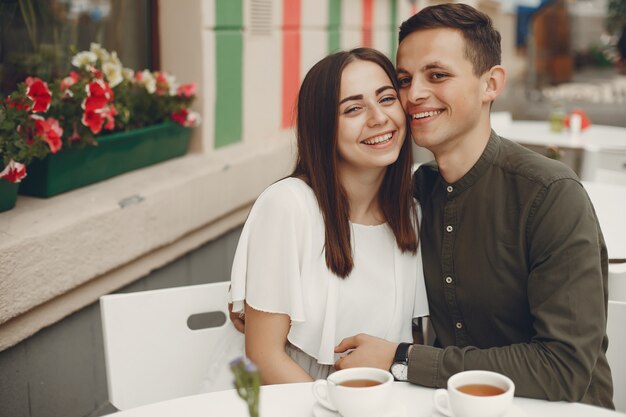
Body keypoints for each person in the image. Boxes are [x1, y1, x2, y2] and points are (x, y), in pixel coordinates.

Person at [333, 3, 614, 409]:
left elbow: (563, 369)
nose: (414, 95)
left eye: (438, 75)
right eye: (405, 80)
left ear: (491, 84)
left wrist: (404, 360)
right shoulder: (413, 196)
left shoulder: (550, 194)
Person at [228, 48, 429, 384]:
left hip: (379, 400)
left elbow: (410, 340)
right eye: (353, 108)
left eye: (387, 98)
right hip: (295, 400)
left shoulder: (412, 213)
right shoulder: (288, 206)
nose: (379, 118)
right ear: (322, 128)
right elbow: (264, 356)